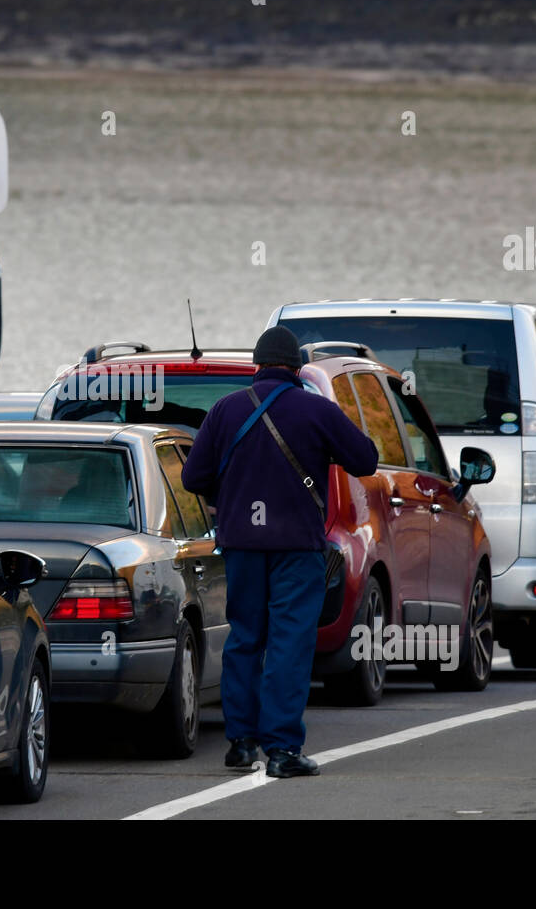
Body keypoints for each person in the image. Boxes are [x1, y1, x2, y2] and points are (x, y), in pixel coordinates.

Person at [182, 326, 379, 777]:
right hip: (296, 546)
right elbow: (365, 461)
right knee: (289, 642)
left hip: (241, 545)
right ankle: (284, 750)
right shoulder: (316, 408)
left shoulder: (224, 410)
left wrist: (231, 491)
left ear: (257, 364)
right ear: (296, 368)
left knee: (245, 638)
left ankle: (241, 742)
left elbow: (194, 479)